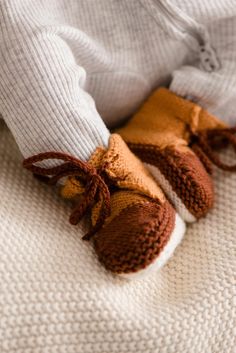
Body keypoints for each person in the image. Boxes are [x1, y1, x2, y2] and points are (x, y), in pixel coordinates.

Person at [0, 0, 236, 278]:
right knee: (14, 34)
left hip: (201, 35)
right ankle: (102, 175)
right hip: (70, 32)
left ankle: (173, 118)